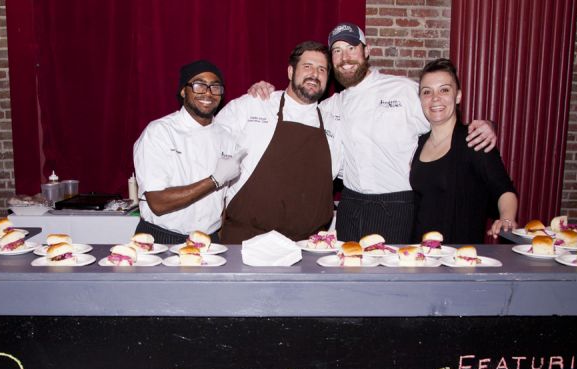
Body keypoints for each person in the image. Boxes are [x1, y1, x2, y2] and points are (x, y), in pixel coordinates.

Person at [249, 23, 497, 243]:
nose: (345, 57)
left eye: (352, 48)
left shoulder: (402, 90)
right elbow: (295, 105)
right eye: (337, 51)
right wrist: (266, 93)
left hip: (397, 206)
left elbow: (442, 115)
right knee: (347, 283)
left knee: (392, 287)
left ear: (366, 51)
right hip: (350, 205)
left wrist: (486, 125)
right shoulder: (329, 105)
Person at [213, 41, 342, 244]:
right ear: (290, 72)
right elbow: (210, 149)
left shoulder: (334, 124)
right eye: (307, 66)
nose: (314, 74)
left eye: (322, 69)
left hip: (307, 246)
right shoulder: (254, 105)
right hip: (246, 240)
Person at [132, 60, 243, 244]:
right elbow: (158, 203)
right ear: (184, 91)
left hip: (209, 240)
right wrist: (215, 180)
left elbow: (223, 202)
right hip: (161, 238)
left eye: (215, 87)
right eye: (199, 85)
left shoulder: (227, 137)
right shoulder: (159, 132)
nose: (208, 92)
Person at [410, 58, 517, 243]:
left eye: (444, 90)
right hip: (421, 257)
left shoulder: (473, 139)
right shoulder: (419, 142)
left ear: (458, 96)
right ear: (420, 99)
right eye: (427, 92)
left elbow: (504, 190)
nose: (435, 98)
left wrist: (506, 218)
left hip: (459, 260)